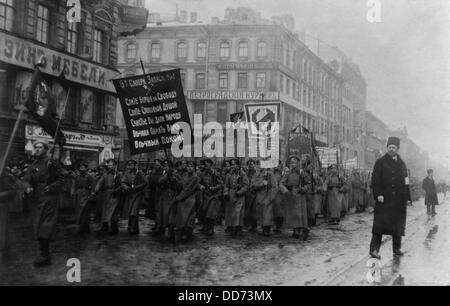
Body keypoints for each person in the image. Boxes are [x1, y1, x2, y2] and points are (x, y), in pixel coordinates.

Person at [23, 141, 65, 267]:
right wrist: (27, 187)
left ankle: (44, 255)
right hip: (36, 199)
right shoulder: (32, 165)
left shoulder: (53, 163)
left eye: (40, 147)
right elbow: (26, 180)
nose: (37, 149)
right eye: (36, 147)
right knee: (38, 226)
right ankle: (44, 253)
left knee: (45, 227)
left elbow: (61, 179)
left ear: (46, 149)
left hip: (49, 199)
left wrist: (51, 187)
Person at [369, 137, 412, 260]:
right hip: (384, 200)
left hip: (398, 201)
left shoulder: (402, 163)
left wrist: (408, 197)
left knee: (397, 226)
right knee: (379, 227)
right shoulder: (380, 162)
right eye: (389, 147)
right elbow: (375, 181)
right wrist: (378, 194)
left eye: (393, 147)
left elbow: (406, 181)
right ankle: (374, 250)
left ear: (397, 149)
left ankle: (397, 249)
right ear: (387, 148)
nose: (391, 149)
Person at [279, 156, 309, 240]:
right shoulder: (287, 173)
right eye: (291, 162)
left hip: (300, 195)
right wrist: (285, 191)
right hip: (291, 195)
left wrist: (303, 189)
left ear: (298, 163)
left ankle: (299, 230)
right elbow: (281, 183)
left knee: (299, 214)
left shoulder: (301, 173)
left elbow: (308, 184)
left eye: (294, 162)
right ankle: (295, 230)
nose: (293, 164)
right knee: (293, 214)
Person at [90, 158, 122, 235]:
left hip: (114, 195)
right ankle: (105, 227)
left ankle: (114, 229)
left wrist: (117, 189)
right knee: (105, 212)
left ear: (114, 165)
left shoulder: (118, 174)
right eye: (109, 164)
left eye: (111, 165)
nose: (109, 166)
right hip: (106, 195)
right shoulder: (105, 174)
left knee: (113, 212)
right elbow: (99, 183)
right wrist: (94, 191)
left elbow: (122, 184)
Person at [173, 160, 200, 242]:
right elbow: (181, 185)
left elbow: (188, 189)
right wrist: (176, 180)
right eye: (188, 166)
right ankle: (181, 231)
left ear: (194, 168)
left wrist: (179, 197)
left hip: (189, 199)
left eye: (192, 166)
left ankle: (187, 233)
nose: (189, 168)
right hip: (183, 199)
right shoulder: (184, 175)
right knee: (182, 216)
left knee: (189, 217)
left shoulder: (195, 178)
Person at [223, 158, 249, 236]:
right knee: (230, 212)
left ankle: (238, 228)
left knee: (238, 212)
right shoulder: (228, 174)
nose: (233, 166)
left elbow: (246, 185)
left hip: (239, 196)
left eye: (235, 164)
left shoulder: (242, 174)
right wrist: (226, 193)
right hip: (231, 194)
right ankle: (231, 226)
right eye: (232, 164)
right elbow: (226, 185)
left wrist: (240, 192)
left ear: (238, 165)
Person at [251, 160, 277, 236]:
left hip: (267, 196)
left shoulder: (269, 174)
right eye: (258, 164)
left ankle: (267, 230)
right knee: (261, 214)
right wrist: (262, 184)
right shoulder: (256, 175)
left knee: (267, 214)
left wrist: (271, 197)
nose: (259, 166)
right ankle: (263, 229)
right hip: (259, 196)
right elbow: (252, 185)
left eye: (260, 164)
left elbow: (274, 186)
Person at [198, 158, 223, 236]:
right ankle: (205, 227)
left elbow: (221, 184)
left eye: (208, 164)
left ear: (211, 165)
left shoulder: (216, 173)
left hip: (213, 196)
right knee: (205, 212)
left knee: (211, 213)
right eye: (205, 164)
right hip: (205, 196)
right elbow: (198, 182)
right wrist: (200, 186)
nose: (206, 165)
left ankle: (211, 229)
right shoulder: (203, 174)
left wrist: (214, 188)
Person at [121, 160, 147, 235]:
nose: (130, 166)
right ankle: (133, 227)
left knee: (134, 211)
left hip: (137, 194)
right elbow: (123, 182)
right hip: (129, 194)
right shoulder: (127, 173)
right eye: (129, 165)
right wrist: (126, 187)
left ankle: (132, 227)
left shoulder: (140, 173)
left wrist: (137, 187)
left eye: (132, 165)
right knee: (130, 211)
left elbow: (145, 182)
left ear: (135, 165)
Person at [0, 167, 17, 261]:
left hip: (1, 207)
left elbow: (12, 191)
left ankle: (5, 254)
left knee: (3, 231)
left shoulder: (2, 173)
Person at [74, 163, 95, 235]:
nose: (81, 169)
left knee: (85, 211)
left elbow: (92, 186)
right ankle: (85, 227)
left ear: (86, 168)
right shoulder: (77, 176)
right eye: (81, 167)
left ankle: (83, 227)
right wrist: (75, 192)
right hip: (79, 194)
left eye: (83, 167)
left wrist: (91, 194)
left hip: (86, 194)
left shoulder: (89, 176)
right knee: (79, 211)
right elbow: (75, 185)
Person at [244, 159, 258, 232]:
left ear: (254, 165)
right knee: (247, 210)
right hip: (247, 194)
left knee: (254, 210)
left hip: (255, 194)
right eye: (249, 164)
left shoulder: (257, 173)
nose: (250, 166)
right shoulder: (245, 173)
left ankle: (254, 226)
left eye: (252, 164)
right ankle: (248, 225)